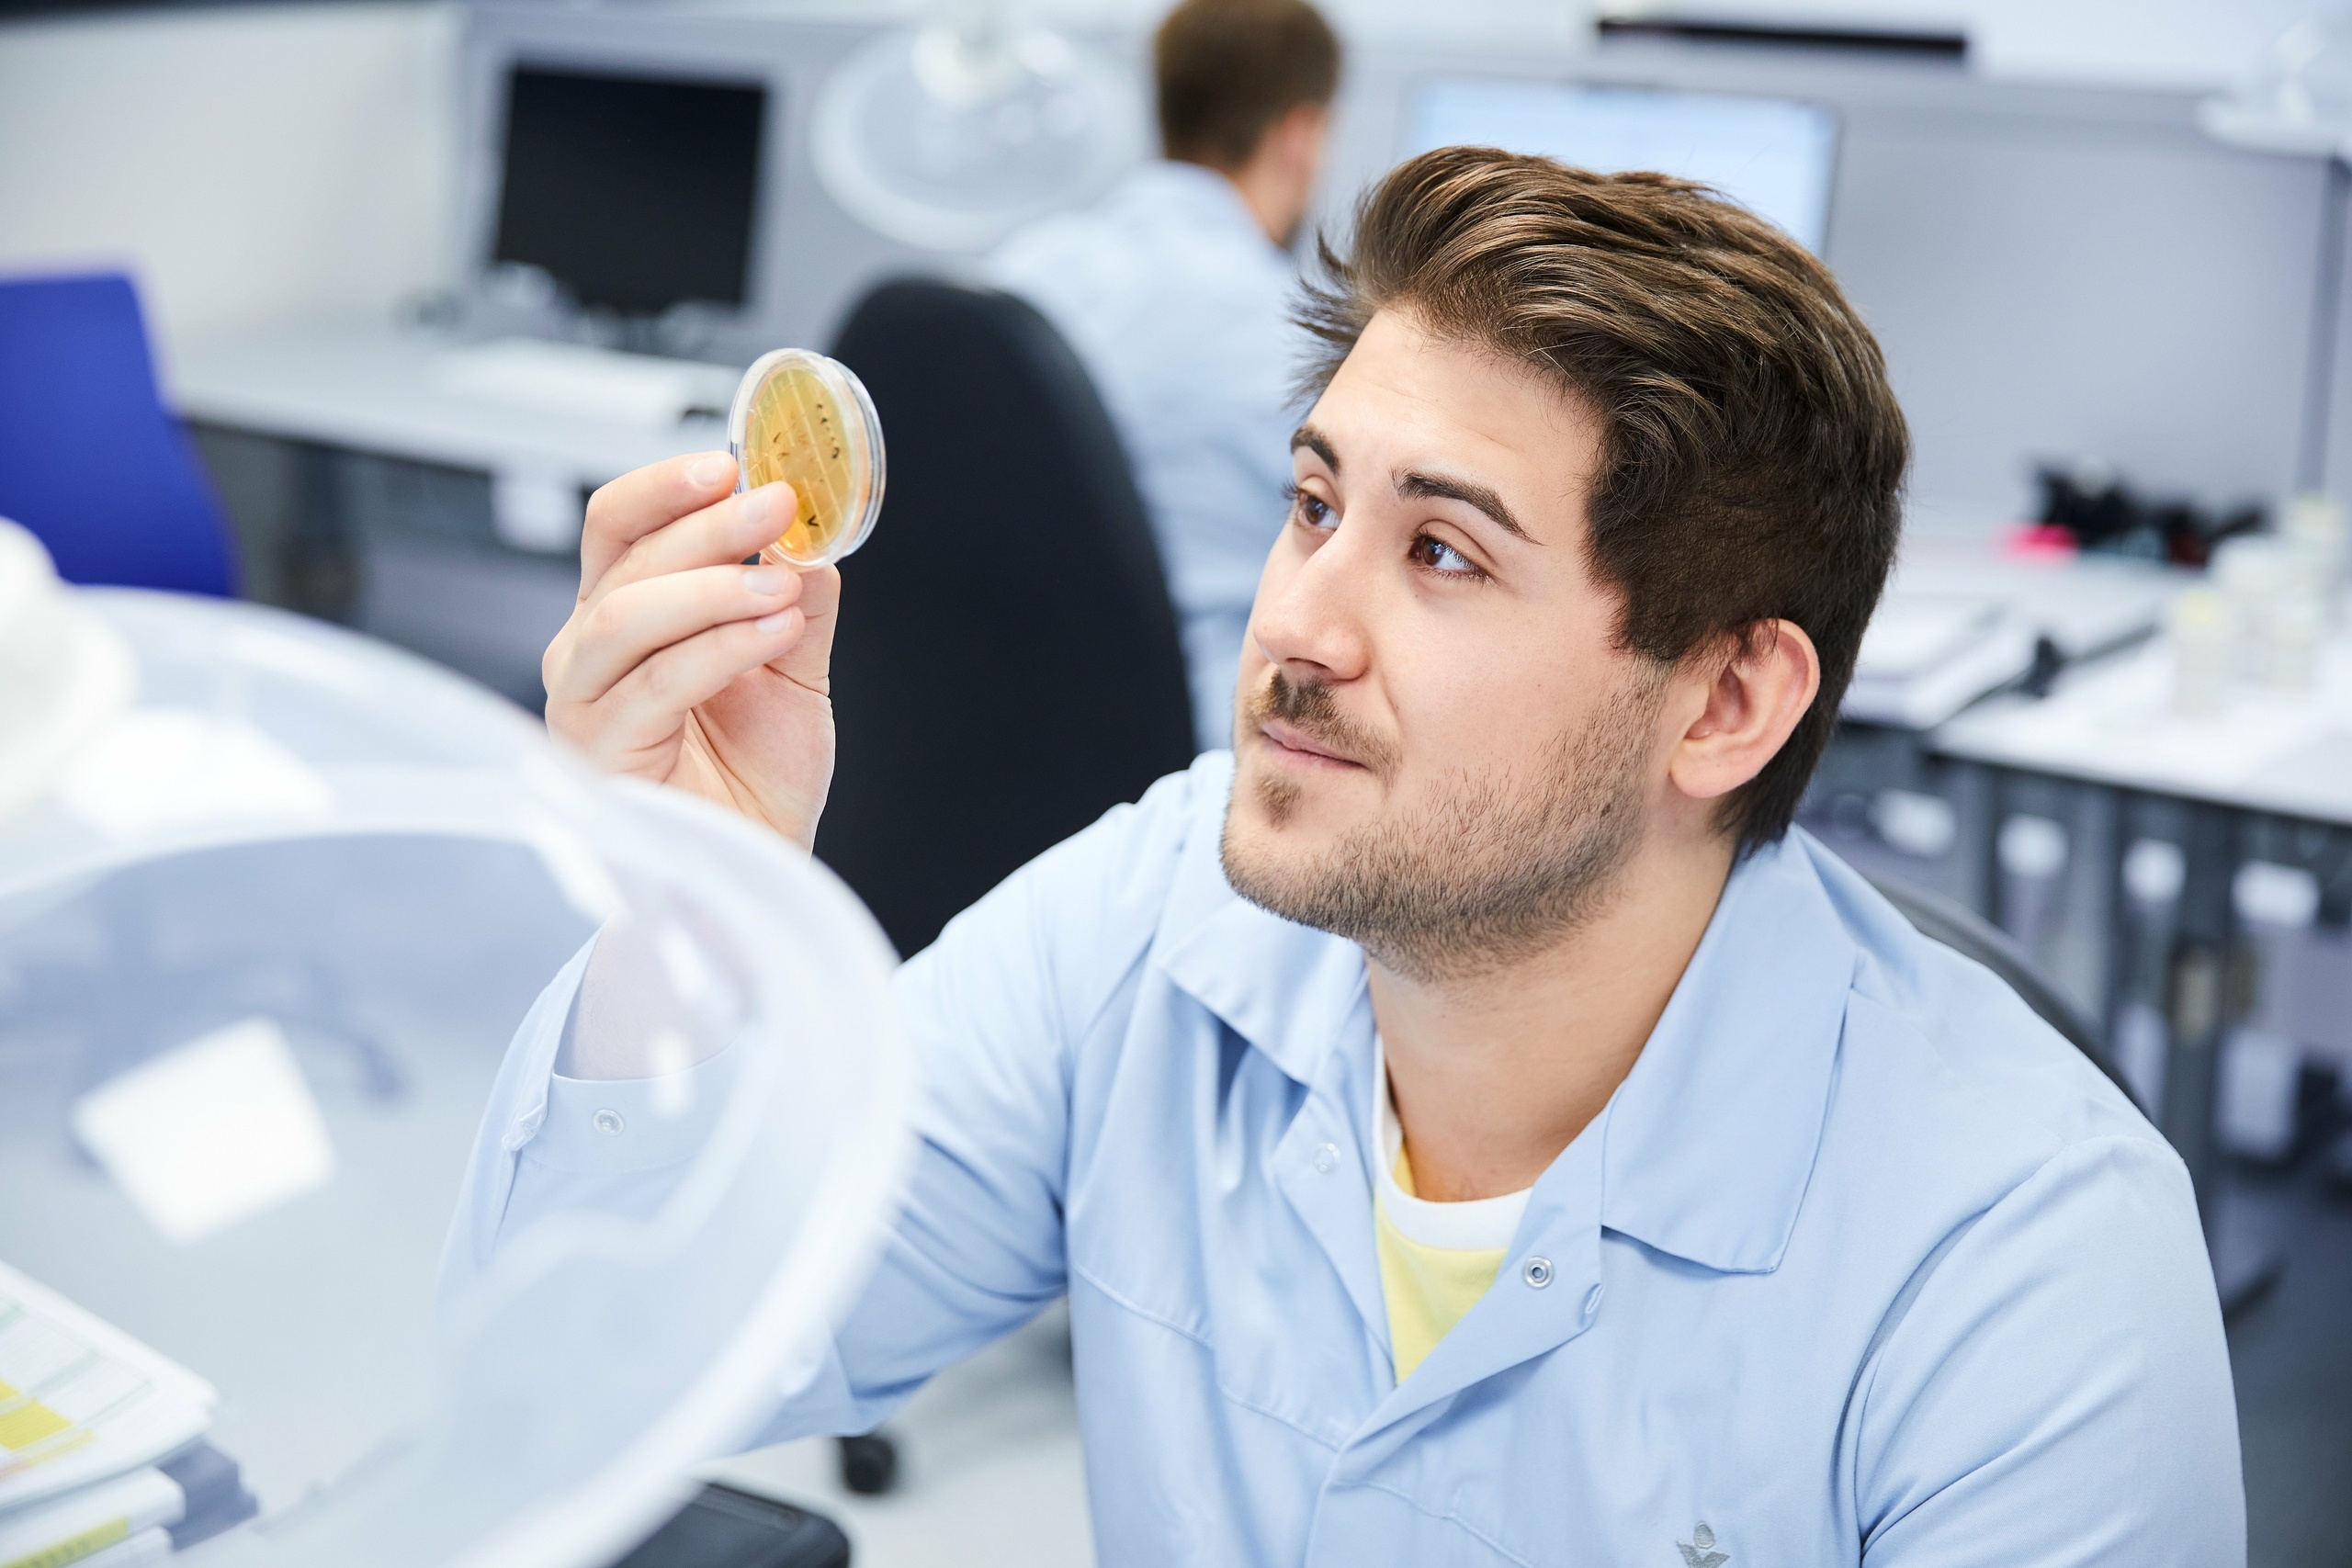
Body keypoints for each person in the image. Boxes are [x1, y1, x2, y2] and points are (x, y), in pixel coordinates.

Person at [472, 148, 2244, 1563]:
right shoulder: (1156, 919)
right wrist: (674, 915)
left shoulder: (2025, 1270)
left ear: (1723, 701)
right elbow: (606, 1368)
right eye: (1315, 503)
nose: (1294, 625)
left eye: (1444, 554)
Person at [988, 0, 1340, 752]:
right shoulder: (1309, 343)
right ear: (1302, 136)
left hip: (981, 733)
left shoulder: (1015, 276)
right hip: (1191, 766)